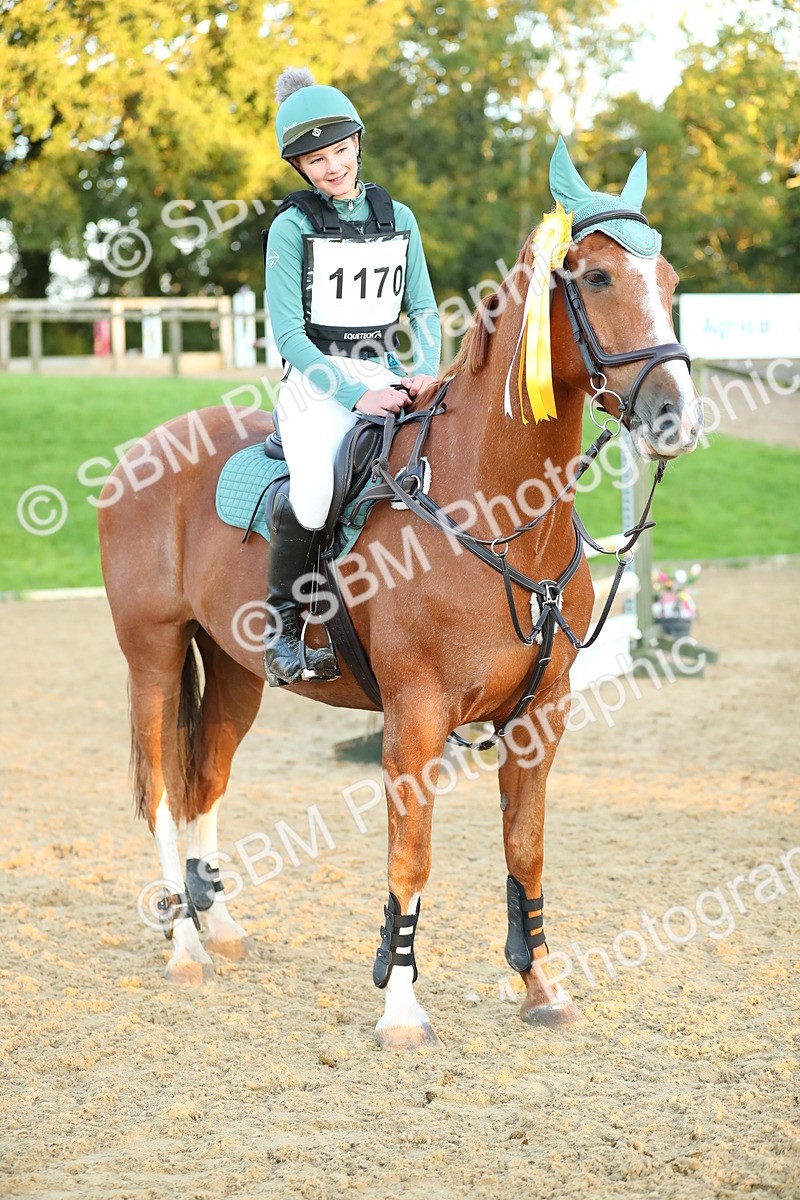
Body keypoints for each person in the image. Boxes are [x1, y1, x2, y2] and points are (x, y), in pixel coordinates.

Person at [263, 67, 441, 687]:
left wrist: (423, 371)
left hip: (389, 371)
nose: (332, 166)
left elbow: (423, 308)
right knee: (313, 492)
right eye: (316, 159)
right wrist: (353, 393)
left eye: (339, 151)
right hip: (316, 384)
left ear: (358, 144)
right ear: (301, 168)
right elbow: (288, 335)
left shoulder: (401, 217)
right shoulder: (291, 227)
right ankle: (281, 629)